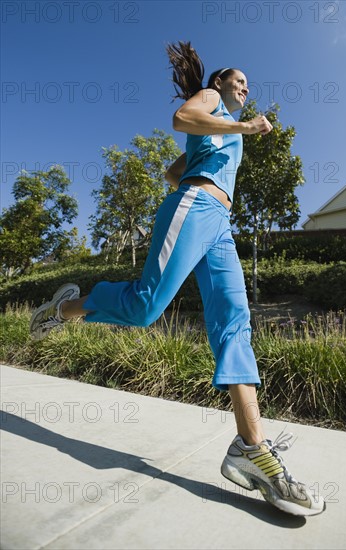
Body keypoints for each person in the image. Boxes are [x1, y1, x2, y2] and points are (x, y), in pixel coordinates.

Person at [30, 41, 325, 516]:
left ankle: (252, 449)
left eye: (248, 85)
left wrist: (205, 156)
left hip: (220, 226)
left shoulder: (224, 127)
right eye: (239, 81)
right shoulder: (213, 102)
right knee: (146, 308)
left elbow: (173, 169)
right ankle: (65, 308)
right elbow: (182, 120)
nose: (245, 88)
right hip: (197, 208)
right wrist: (239, 128)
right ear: (220, 84)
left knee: (235, 323)